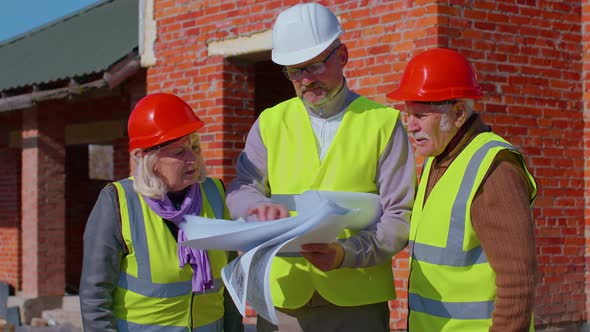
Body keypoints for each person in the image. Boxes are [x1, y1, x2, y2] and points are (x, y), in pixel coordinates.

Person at [226, 3, 415, 332]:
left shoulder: (383, 123)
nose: (305, 80)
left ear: (342, 56)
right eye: (295, 71)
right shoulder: (270, 122)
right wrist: (258, 210)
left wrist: (345, 254)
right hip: (284, 298)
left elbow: (400, 215)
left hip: (357, 301)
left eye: (314, 66)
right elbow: (243, 188)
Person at [387, 48, 538, 331]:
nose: (411, 126)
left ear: (458, 113)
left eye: (420, 115)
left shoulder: (494, 168)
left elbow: (518, 280)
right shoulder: (438, 159)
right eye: (408, 114)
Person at [79, 93, 243, 332]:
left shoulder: (216, 194)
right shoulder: (118, 201)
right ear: (149, 160)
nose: (192, 159)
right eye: (179, 152)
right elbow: (95, 296)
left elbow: (230, 284)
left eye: (195, 147)